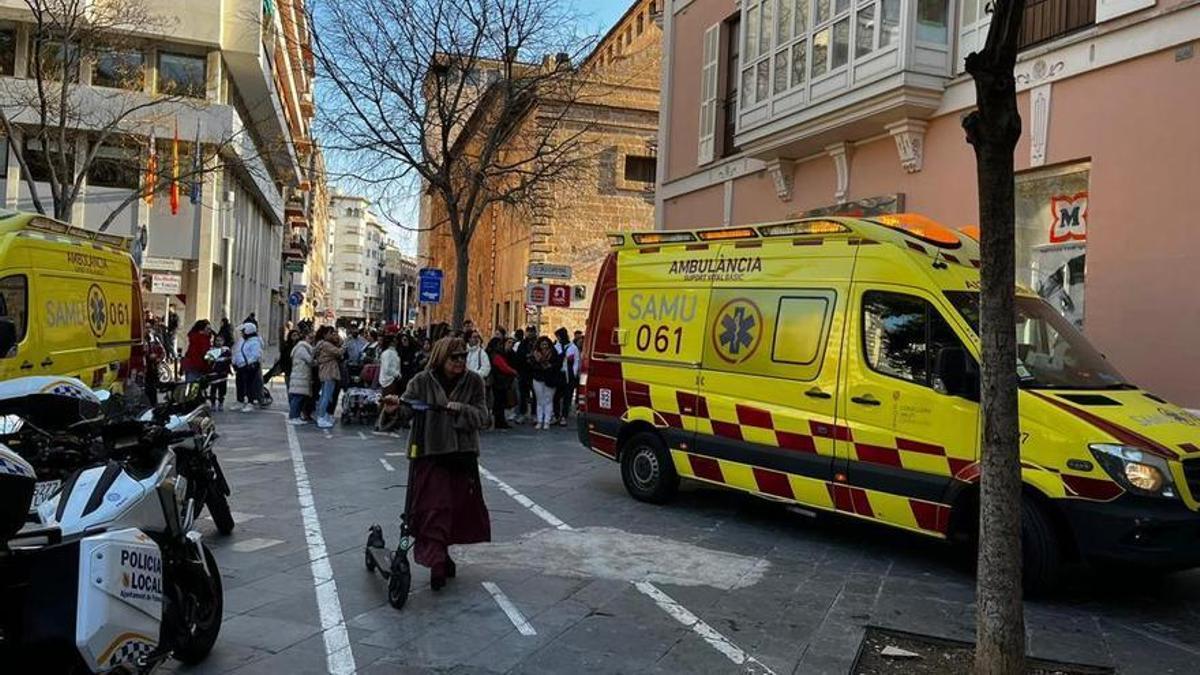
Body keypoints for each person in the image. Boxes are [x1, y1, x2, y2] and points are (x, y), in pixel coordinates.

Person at [397, 336, 491, 590]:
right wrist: (394, 407)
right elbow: (406, 409)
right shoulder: (421, 380)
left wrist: (461, 409)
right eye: (454, 357)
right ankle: (436, 561)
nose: (460, 361)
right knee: (433, 508)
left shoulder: (474, 381)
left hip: (462, 455)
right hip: (430, 453)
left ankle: (444, 553)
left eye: (463, 356)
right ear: (441, 357)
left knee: (457, 509)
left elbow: (484, 417)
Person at [528, 335, 561, 430]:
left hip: (550, 379)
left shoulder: (554, 353)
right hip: (538, 378)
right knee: (539, 400)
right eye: (542, 344)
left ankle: (546, 421)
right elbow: (532, 365)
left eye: (546, 344)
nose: (544, 346)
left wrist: (549, 367)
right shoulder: (535, 354)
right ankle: (540, 420)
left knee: (548, 400)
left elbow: (557, 365)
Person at [314, 327, 344, 428]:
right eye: (331, 333)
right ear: (325, 334)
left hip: (326, 372)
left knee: (326, 396)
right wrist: (344, 346)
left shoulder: (322, 344)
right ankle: (321, 417)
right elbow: (339, 352)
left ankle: (323, 416)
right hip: (329, 372)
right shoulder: (326, 345)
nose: (333, 335)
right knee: (326, 396)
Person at [231, 322, 264, 412]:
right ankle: (240, 401)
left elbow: (256, 354)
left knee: (250, 384)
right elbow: (237, 351)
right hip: (240, 366)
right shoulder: (242, 340)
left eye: (243, 331)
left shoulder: (255, 342)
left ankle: (251, 402)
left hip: (249, 366)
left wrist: (248, 363)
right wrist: (234, 362)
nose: (242, 333)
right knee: (239, 383)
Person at [375, 334, 403, 431]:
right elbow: (387, 368)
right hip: (388, 380)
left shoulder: (392, 352)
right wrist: (396, 374)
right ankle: (379, 423)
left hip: (392, 380)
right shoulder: (388, 353)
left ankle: (386, 423)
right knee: (386, 403)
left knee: (390, 403)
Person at [488, 337, 517, 429]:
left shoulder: (496, 354)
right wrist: (514, 372)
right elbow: (503, 367)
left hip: (499, 381)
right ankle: (500, 422)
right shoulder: (496, 355)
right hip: (499, 381)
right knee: (499, 403)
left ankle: (500, 421)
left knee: (499, 403)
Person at [553, 327, 580, 427]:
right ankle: (556, 415)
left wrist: (573, 373)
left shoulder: (573, 348)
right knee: (556, 396)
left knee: (567, 397)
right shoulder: (556, 347)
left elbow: (576, 361)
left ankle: (564, 416)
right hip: (559, 374)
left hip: (569, 375)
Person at [288, 330, 315, 425]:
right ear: (304, 338)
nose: (311, 341)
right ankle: (293, 417)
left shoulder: (302, 347)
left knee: (299, 397)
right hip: (300, 376)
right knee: (297, 397)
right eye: (309, 338)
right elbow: (310, 360)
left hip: (300, 375)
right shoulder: (302, 348)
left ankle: (296, 416)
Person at [465, 331, 491, 414]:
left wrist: (475, 374)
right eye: (474, 337)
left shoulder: (482, 353)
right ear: (469, 339)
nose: (476, 339)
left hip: (477, 383)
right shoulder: (465, 352)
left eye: (477, 337)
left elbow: (486, 368)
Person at [513, 328, 534, 424]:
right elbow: (518, 357)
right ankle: (522, 413)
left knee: (535, 395)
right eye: (528, 331)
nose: (529, 334)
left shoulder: (536, 343)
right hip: (523, 372)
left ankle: (534, 414)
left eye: (531, 332)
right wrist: (526, 356)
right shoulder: (522, 344)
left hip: (534, 373)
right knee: (523, 395)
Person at [206, 336, 232, 410]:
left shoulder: (226, 350)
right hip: (214, 374)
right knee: (213, 389)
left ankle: (221, 403)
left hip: (223, 374)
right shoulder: (211, 350)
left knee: (222, 390)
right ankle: (213, 404)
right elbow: (208, 361)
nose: (218, 342)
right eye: (217, 340)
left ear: (223, 342)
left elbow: (229, 360)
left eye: (220, 340)